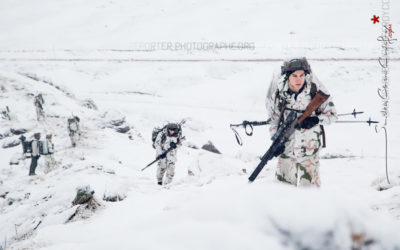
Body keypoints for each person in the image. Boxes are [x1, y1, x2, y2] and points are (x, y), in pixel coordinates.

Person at [266, 58, 338, 187]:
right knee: (282, 190)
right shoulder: (278, 95)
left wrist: (315, 119)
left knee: (310, 192)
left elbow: (332, 115)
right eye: (294, 76)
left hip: (309, 149)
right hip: (287, 148)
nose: (299, 80)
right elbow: (273, 121)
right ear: (287, 77)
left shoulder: (315, 91)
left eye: (301, 75)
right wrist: (276, 142)